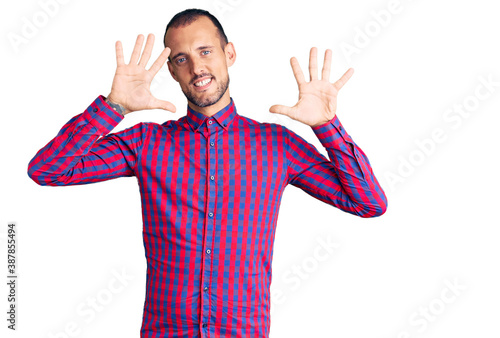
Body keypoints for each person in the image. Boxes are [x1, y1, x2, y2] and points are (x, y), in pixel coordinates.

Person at [27, 8, 387, 338]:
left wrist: (327, 126)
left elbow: (368, 203)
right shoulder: (146, 143)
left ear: (229, 54)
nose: (196, 68)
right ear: (170, 70)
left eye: (205, 51)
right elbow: (47, 170)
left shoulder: (277, 145)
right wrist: (113, 106)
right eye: (181, 58)